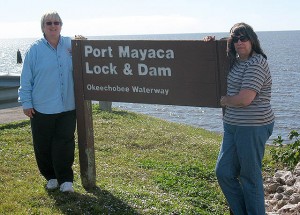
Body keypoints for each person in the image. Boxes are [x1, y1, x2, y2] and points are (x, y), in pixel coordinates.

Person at [207, 23, 275, 214]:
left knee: (250, 178)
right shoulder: (235, 60)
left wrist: (225, 100)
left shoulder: (257, 63)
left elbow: (245, 99)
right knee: (223, 172)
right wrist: (210, 44)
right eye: (235, 39)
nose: (239, 42)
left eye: (243, 38)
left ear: (252, 40)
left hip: (253, 126)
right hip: (232, 125)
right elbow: (220, 53)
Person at [18, 11, 76, 192]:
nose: (53, 26)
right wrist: (26, 102)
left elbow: (87, 57)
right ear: (43, 27)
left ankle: (66, 179)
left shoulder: (70, 44)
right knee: (43, 144)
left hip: (68, 105)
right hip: (42, 106)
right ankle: (50, 176)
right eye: (49, 23)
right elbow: (26, 78)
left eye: (56, 23)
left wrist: (80, 46)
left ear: (61, 25)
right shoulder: (35, 50)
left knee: (65, 142)